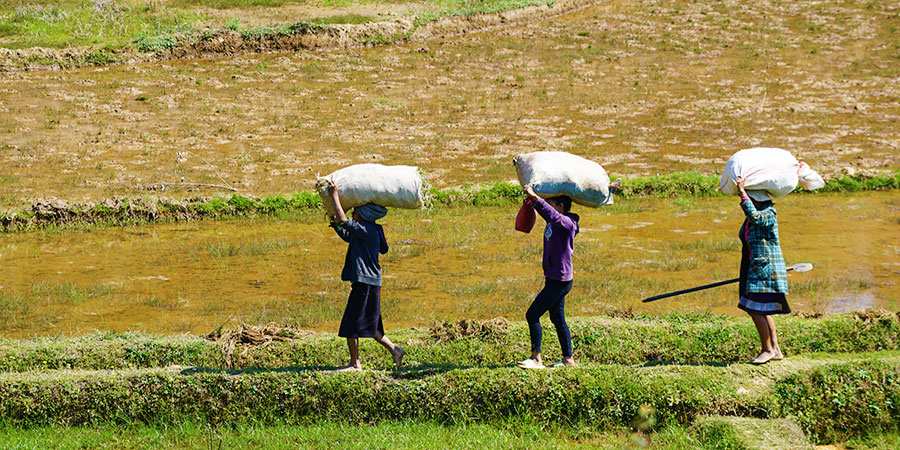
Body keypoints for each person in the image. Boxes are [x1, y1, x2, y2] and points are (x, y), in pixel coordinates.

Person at [326, 180, 405, 371]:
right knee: (370, 322)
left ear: (362, 215)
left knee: (350, 323)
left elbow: (345, 221)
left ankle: (355, 364)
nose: (353, 212)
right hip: (372, 282)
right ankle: (395, 350)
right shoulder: (373, 230)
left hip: (364, 282)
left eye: (355, 211)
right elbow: (349, 233)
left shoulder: (365, 229)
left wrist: (334, 195)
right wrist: (335, 223)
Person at [734, 176, 790, 364]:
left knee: (755, 309)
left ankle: (767, 350)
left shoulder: (768, 213)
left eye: (751, 198)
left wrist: (742, 193)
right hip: (755, 268)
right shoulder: (751, 218)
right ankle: (774, 349)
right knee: (760, 309)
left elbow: (756, 217)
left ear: (757, 200)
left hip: (766, 270)